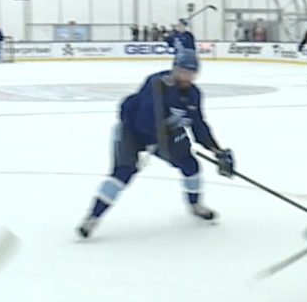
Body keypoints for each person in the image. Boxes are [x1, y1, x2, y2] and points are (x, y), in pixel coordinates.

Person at [77, 50, 234, 239]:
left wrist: (217, 151)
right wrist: (155, 143)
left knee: (190, 164)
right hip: (131, 132)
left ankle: (195, 205)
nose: (186, 76)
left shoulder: (194, 95)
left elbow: (198, 125)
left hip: (164, 135)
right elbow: (144, 120)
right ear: (174, 68)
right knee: (123, 173)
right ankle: (92, 217)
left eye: (191, 73)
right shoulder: (156, 83)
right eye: (183, 71)